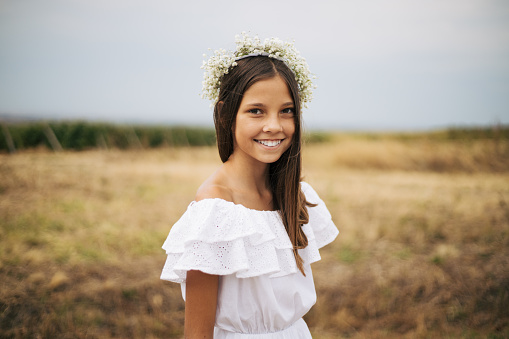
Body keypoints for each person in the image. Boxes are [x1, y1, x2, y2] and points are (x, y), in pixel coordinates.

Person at [160, 32, 338, 338]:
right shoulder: (215, 210)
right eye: (256, 110)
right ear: (227, 114)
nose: (274, 125)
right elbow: (198, 333)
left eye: (286, 110)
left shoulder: (293, 194)